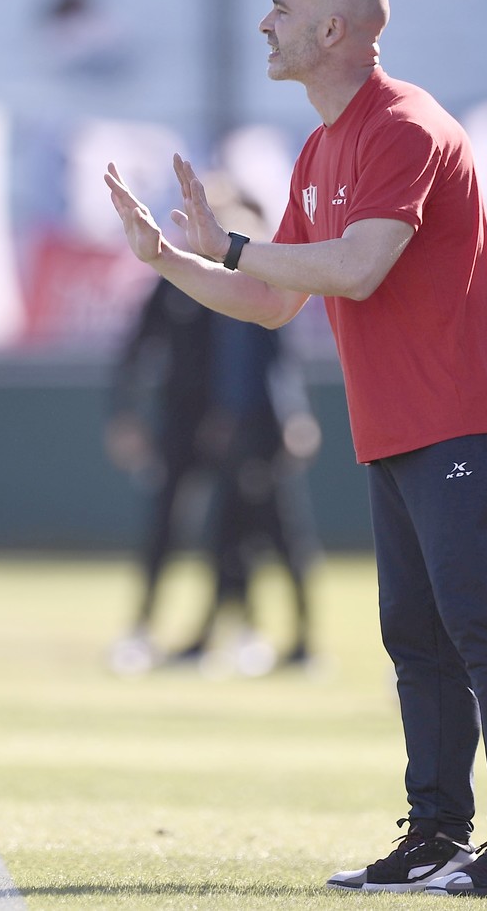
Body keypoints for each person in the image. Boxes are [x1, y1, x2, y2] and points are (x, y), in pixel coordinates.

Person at [104, 0, 487, 898]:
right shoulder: (320, 149)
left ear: (333, 32)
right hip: (397, 419)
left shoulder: (406, 126)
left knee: (482, 616)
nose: (265, 23)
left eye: (281, 9)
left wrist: (229, 242)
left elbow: (356, 268)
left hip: (461, 408)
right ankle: (438, 831)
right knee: (414, 629)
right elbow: (272, 299)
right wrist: (166, 261)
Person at [171, 182, 324, 674]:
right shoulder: (218, 296)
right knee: (227, 536)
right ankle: (218, 635)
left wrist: (294, 419)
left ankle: (303, 643)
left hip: (265, 433)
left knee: (282, 538)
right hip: (235, 431)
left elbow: (279, 364)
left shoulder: (265, 287)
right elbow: (220, 371)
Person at [104, 274, 218, 674]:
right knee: (163, 527)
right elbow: (134, 348)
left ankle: (221, 631)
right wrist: (124, 413)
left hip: (233, 425)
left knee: (237, 531)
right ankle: (142, 627)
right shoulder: (174, 280)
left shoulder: (247, 273)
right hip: (178, 425)